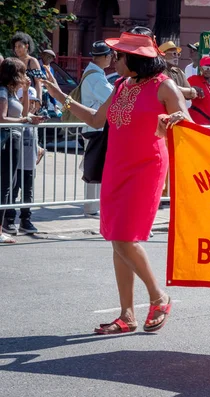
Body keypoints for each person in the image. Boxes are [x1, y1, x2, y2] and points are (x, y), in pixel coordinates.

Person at [41, 27, 191, 333]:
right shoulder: (122, 84)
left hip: (146, 168)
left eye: (119, 55)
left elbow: (187, 122)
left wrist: (176, 119)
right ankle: (127, 315)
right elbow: (97, 120)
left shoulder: (165, 87)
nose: (115, 59)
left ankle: (158, 297)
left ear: (136, 58)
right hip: (116, 167)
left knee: (124, 236)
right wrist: (60, 97)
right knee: (117, 239)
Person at [0, 58, 44, 243]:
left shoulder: (10, 92)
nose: (26, 76)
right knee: (4, 187)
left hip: (13, 141)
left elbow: (24, 113)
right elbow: (2, 119)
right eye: (23, 72)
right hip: (7, 142)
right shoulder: (3, 91)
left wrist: (26, 92)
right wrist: (23, 121)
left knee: (7, 186)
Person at [80, 41, 114, 216]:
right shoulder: (95, 77)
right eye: (111, 56)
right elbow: (111, 97)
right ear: (106, 56)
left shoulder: (94, 73)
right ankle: (92, 206)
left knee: (93, 164)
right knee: (95, 165)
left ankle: (92, 205)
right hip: (96, 127)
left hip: (94, 126)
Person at [187, 57, 210, 125]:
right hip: (197, 123)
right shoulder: (194, 79)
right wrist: (193, 88)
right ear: (201, 68)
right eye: (205, 67)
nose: (208, 69)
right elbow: (182, 89)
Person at [11, 32, 43, 100]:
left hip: (30, 98)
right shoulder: (14, 62)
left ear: (26, 46)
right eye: (15, 47)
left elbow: (38, 82)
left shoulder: (32, 61)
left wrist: (38, 100)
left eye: (19, 46)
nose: (17, 49)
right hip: (16, 98)